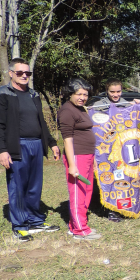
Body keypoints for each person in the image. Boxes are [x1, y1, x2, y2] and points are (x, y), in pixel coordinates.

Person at [0, 58, 61, 241]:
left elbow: (41, 123)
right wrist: (2, 150)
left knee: (34, 186)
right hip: (16, 145)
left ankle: (35, 221)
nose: (24, 76)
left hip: (36, 144)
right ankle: (20, 225)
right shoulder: (1, 95)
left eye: (27, 73)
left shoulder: (33, 95)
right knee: (18, 186)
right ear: (11, 73)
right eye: (20, 72)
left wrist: (51, 143)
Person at [58, 78, 101, 240]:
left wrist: (93, 159)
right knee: (77, 192)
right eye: (79, 94)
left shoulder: (80, 109)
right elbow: (67, 139)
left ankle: (75, 225)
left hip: (87, 155)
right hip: (77, 156)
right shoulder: (67, 111)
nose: (82, 97)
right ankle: (80, 230)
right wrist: (72, 164)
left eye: (85, 94)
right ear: (70, 94)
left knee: (86, 190)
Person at [92, 79, 140, 221]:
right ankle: (110, 209)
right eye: (112, 92)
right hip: (106, 150)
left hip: (124, 149)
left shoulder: (126, 104)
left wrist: (137, 106)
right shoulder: (98, 106)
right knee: (109, 178)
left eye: (118, 91)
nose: (115, 94)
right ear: (106, 91)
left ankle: (125, 207)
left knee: (124, 178)